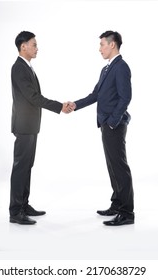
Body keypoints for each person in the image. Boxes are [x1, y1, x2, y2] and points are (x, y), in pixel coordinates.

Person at [68, 31, 134, 226]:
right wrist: (75, 105)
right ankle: (117, 204)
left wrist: (113, 121)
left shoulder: (121, 67)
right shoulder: (106, 69)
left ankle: (127, 213)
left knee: (119, 167)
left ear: (112, 44)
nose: (100, 49)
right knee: (112, 166)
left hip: (114, 124)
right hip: (105, 123)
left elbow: (125, 97)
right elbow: (95, 94)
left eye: (102, 45)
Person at [9, 31, 71, 225]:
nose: (37, 48)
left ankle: (23, 205)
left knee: (27, 166)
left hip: (31, 126)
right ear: (23, 46)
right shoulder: (19, 68)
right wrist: (59, 106)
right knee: (21, 168)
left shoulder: (27, 68)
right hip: (24, 126)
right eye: (34, 44)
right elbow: (33, 97)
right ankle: (15, 212)